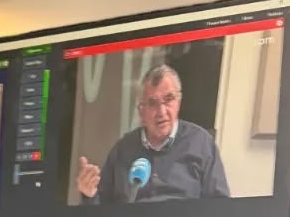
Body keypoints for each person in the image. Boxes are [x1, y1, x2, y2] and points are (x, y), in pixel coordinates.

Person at [76, 63, 229, 204]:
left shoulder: (201, 143)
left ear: (179, 102)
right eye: (153, 103)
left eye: (168, 99)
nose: (161, 112)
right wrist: (89, 194)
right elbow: (101, 210)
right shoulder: (123, 150)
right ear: (141, 111)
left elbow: (220, 208)